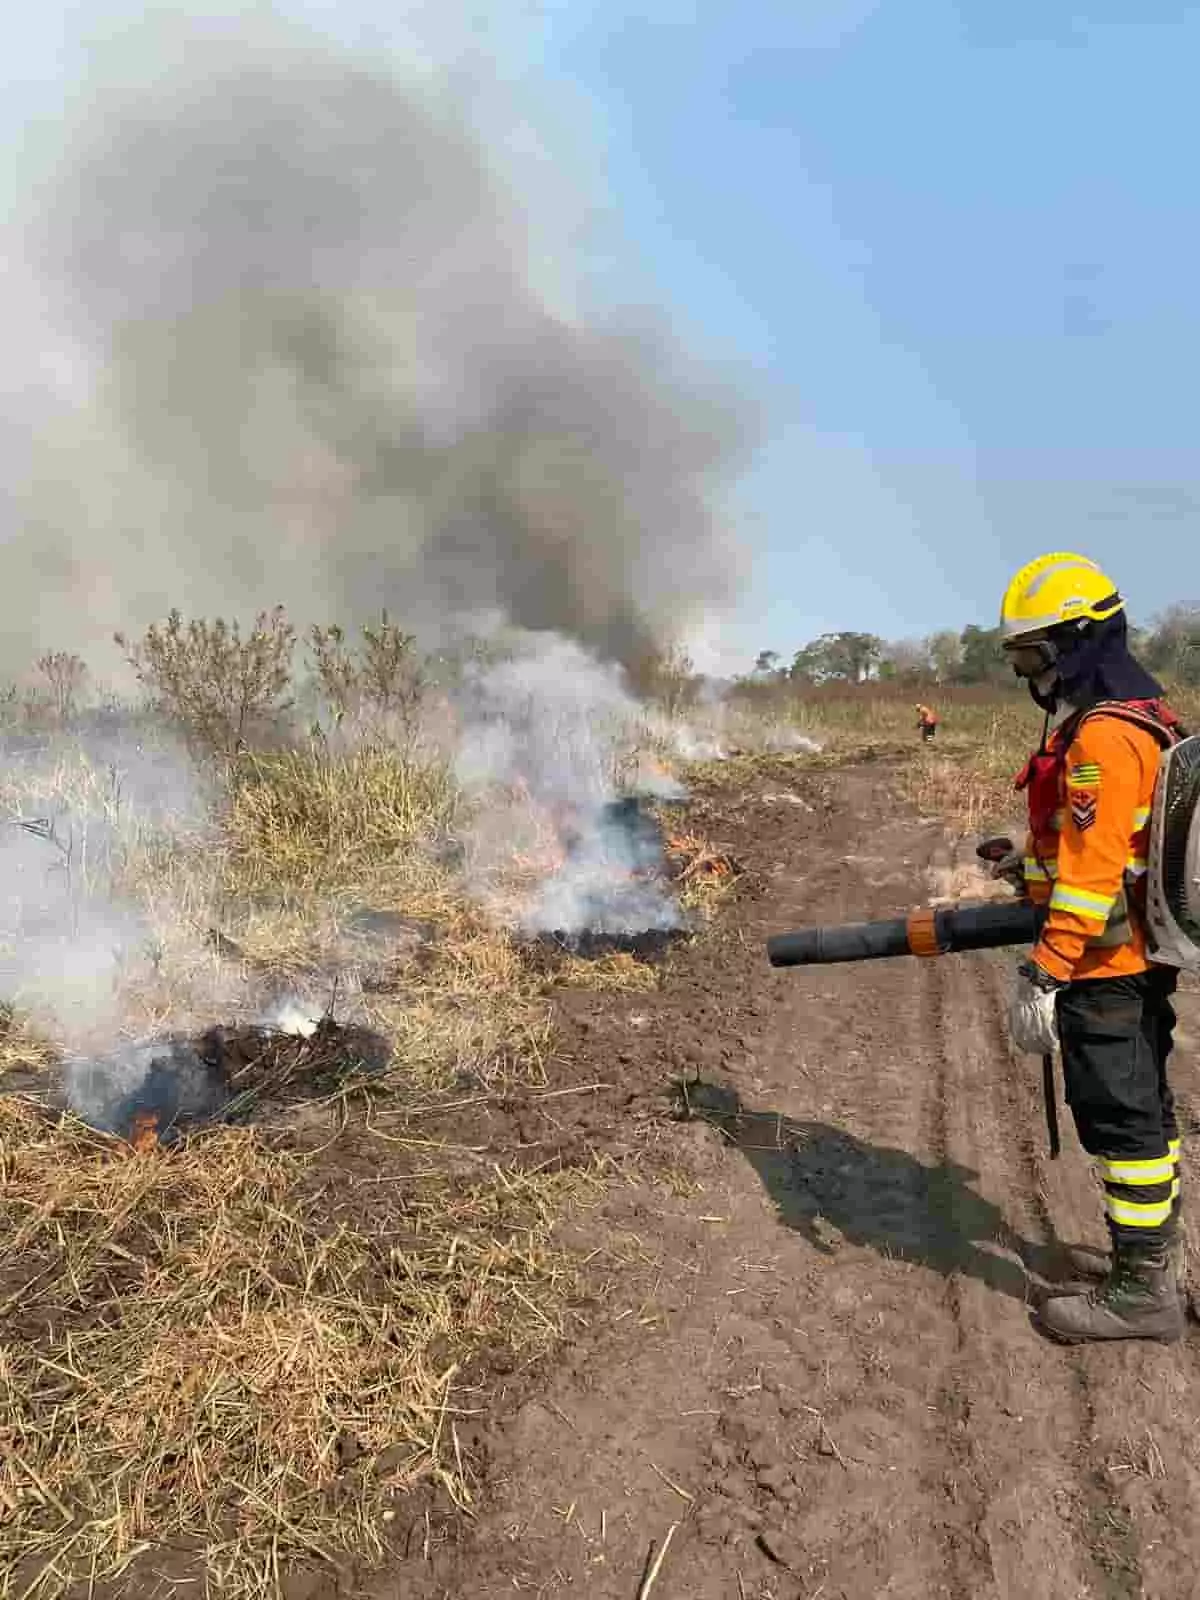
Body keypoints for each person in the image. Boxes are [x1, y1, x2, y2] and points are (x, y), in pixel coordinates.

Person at [999, 551, 1187, 1343]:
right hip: (1140, 960)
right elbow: (1116, 848)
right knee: (1147, 1114)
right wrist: (1025, 860)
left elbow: (1092, 879)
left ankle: (1143, 1294)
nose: (1027, 676)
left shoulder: (1104, 739)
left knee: (1121, 1124)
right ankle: (1157, 1263)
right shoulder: (1145, 715)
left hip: (1102, 969)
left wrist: (1045, 971)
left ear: (1076, 644)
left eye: (1033, 657)